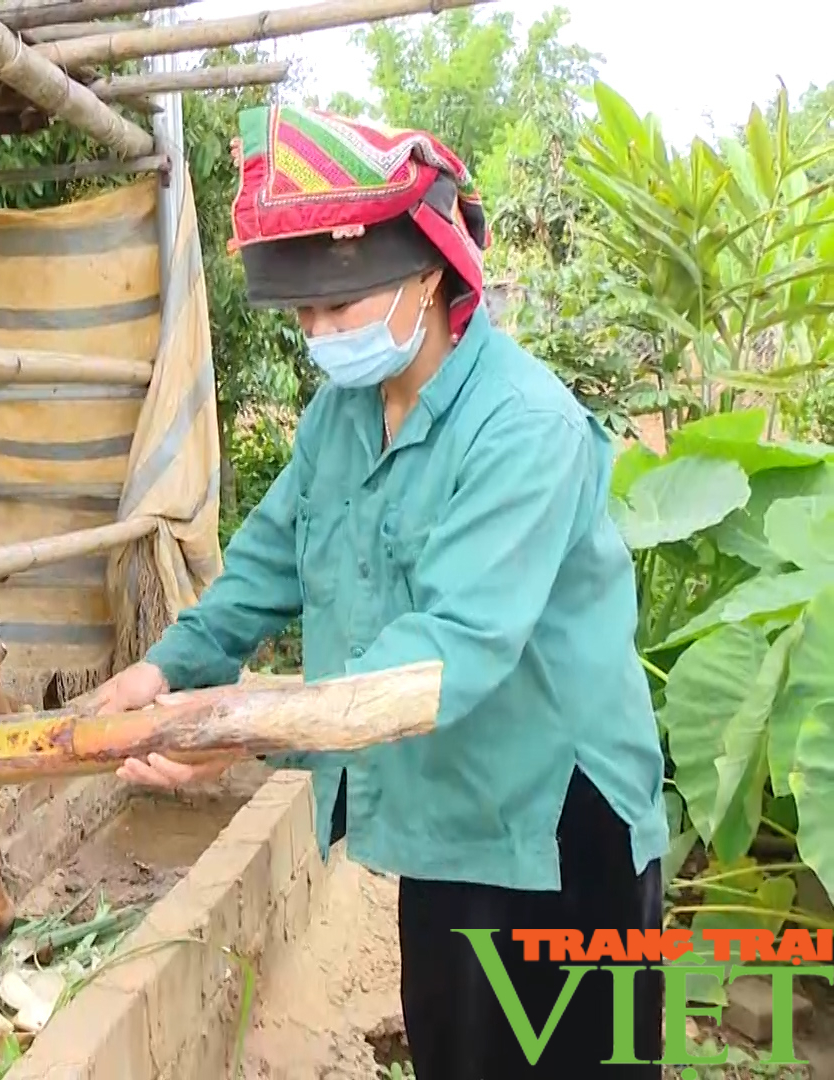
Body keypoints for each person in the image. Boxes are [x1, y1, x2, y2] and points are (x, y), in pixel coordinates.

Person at [80, 105, 670, 1078]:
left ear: (428, 272)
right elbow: (269, 561)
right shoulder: (341, 417)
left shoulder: (523, 429)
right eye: (304, 314)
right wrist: (164, 672)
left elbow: (444, 655)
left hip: (559, 826)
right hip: (445, 805)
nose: (319, 334)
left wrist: (233, 722)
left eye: (339, 307)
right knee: (455, 1047)